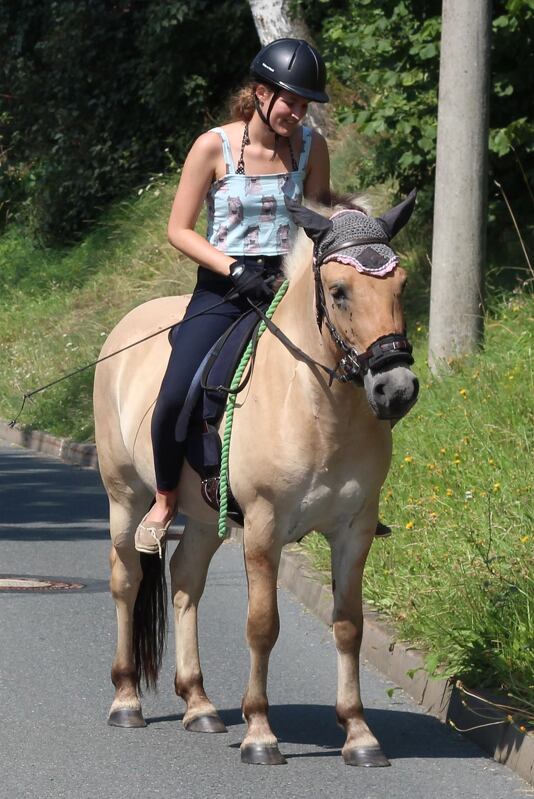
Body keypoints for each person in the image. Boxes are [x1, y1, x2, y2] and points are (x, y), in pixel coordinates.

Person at [135, 38, 331, 555]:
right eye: (291, 100)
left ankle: (345, 498)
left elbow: (319, 222)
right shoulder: (213, 146)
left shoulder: (312, 148)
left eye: (305, 104)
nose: (298, 113)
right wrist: (234, 268)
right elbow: (179, 230)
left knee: (348, 373)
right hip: (225, 287)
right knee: (176, 391)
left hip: (288, 287)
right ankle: (164, 497)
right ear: (261, 93)